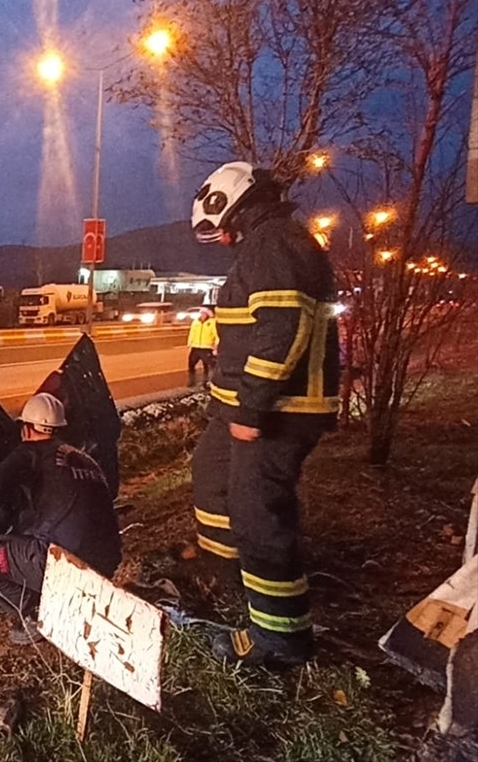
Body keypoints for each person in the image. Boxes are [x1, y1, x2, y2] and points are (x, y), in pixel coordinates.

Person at [188, 161, 340, 667]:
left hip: (280, 412)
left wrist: (251, 408)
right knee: (211, 477)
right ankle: (227, 576)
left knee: (258, 516)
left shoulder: (274, 242)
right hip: (242, 407)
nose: (223, 239)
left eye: (222, 228)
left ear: (233, 202)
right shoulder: (262, 242)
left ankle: (280, 640)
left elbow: (283, 330)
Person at [0, 393, 122, 645]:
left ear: (27, 429)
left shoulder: (30, 452)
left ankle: (34, 612)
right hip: (106, 564)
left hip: (62, 563)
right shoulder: (82, 458)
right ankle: (64, 597)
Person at [186, 306, 219, 388]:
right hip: (196, 347)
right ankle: (192, 381)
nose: (202, 315)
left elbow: (217, 335)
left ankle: (206, 382)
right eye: (201, 313)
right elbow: (192, 333)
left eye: (204, 313)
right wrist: (189, 343)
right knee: (191, 364)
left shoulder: (212, 323)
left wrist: (216, 346)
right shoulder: (195, 322)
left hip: (206, 348)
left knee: (207, 366)